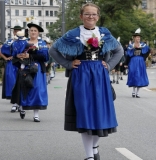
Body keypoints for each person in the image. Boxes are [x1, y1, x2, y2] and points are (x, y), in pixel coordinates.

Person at [49, 3, 123, 160]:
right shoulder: (73, 33)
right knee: (85, 114)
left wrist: (109, 65)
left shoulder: (104, 33)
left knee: (100, 113)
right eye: (87, 14)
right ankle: (89, 156)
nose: (91, 17)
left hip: (100, 75)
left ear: (98, 16)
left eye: (94, 14)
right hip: (81, 75)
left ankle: (94, 146)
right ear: (81, 16)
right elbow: (53, 50)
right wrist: (68, 64)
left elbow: (119, 50)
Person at [11, 17, 49, 122]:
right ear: (29, 32)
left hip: (37, 70)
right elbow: (15, 55)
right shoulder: (23, 42)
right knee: (25, 89)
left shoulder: (42, 44)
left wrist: (31, 55)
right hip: (25, 69)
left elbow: (45, 57)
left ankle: (36, 114)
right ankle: (23, 107)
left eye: (35, 31)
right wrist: (19, 56)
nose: (33, 32)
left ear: (38, 33)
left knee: (37, 90)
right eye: (31, 30)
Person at [0, 20, 23, 112]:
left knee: (22, 83)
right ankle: (14, 103)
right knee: (12, 82)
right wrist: (6, 58)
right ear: (13, 32)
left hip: (22, 63)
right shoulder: (9, 41)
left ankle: (21, 103)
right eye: (15, 30)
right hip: (12, 64)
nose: (17, 32)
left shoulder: (25, 41)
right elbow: (1, 51)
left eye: (18, 30)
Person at [125, 28, 150, 98]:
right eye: (137, 37)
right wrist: (126, 64)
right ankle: (133, 91)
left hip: (140, 61)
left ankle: (137, 92)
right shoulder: (131, 45)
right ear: (134, 38)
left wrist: (144, 57)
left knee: (140, 75)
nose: (138, 38)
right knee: (133, 74)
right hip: (133, 61)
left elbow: (148, 51)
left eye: (139, 37)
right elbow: (128, 55)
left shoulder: (143, 45)